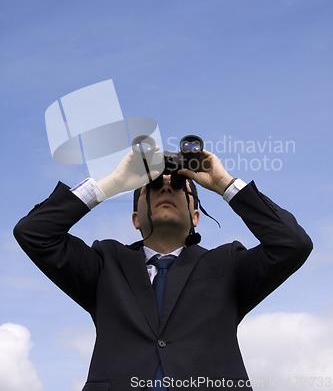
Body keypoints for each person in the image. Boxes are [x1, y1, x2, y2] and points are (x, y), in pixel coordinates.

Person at [14, 147, 313, 391]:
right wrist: (113, 184)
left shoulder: (229, 264)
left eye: (180, 185)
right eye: (153, 186)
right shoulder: (105, 264)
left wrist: (224, 184)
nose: (166, 186)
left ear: (196, 216)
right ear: (135, 219)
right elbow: (34, 233)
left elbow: (293, 244)